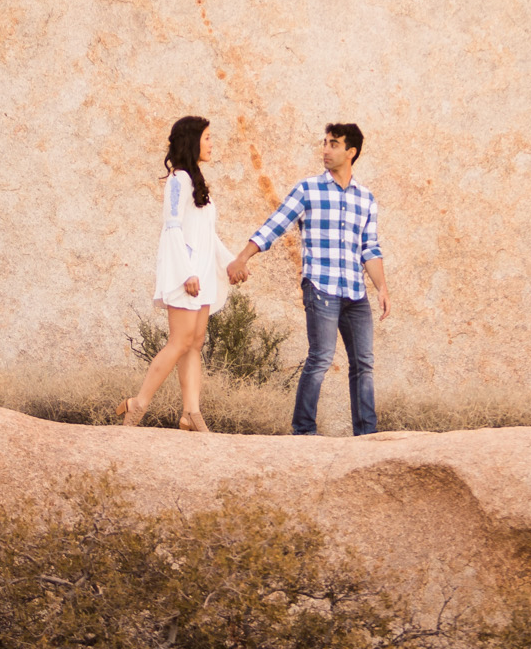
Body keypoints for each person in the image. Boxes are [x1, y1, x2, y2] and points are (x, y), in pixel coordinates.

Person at [227, 123, 387, 436]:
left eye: (334, 144)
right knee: (321, 359)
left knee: (364, 363)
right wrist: (242, 257)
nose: (326, 150)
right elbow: (275, 225)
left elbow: (370, 248)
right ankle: (303, 430)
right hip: (321, 288)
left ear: (351, 152)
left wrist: (382, 288)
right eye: (325, 143)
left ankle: (367, 434)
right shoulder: (308, 190)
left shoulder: (366, 199)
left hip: (355, 293)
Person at [116, 115, 234, 433]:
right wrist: (186, 273)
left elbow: (209, 235)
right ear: (192, 140)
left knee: (195, 343)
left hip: (204, 276)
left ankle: (191, 413)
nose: (211, 143)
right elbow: (172, 228)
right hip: (189, 276)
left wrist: (231, 263)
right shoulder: (178, 180)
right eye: (207, 137)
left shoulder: (197, 182)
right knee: (179, 341)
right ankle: (138, 403)